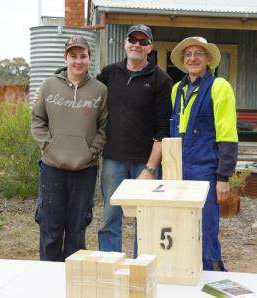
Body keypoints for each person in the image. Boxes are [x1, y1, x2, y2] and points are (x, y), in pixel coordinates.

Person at [97, 24, 172, 255]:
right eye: (133, 39)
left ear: (150, 47)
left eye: (143, 41)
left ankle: (142, 267)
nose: (137, 45)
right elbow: (85, 90)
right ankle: (110, 265)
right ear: (125, 43)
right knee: (110, 218)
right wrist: (58, 83)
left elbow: (163, 128)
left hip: (144, 162)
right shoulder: (109, 73)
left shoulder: (161, 79)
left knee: (145, 219)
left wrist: (150, 168)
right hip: (113, 160)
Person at [31, 36, 108, 261]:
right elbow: (37, 120)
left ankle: (74, 284)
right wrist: (48, 146)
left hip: (85, 170)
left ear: (88, 59)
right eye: (73, 56)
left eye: (82, 56)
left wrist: (91, 152)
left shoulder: (100, 91)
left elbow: (103, 128)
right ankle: (48, 282)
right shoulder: (48, 86)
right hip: (52, 168)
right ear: (65, 58)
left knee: (77, 232)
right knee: (50, 230)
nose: (78, 61)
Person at [169, 37, 238, 271]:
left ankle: (213, 277)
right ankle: (187, 275)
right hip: (178, 168)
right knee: (181, 227)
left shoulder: (220, 87)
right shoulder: (177, 90)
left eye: (198, 53)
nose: (192, 58)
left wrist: (223, 177)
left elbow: (227, 134)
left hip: (205, 170)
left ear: (208, 59)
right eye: (188, 54)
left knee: (206, 228)